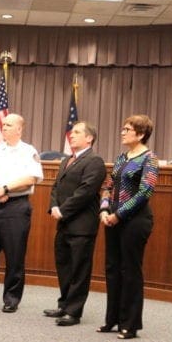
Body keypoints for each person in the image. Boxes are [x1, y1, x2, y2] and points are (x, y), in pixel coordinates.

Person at [0, 114, 43, 313]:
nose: (4, 127)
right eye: (3, 124)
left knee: (15, 255)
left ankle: (11, 297)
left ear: (19, 129)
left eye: (8, 125)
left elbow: (31, 178)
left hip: (16, 206)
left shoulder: (29, 151)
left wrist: (4, 189)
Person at [99, 114, 159, 339]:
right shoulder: (122, 157)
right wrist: (104, 209)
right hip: (112, 218)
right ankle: (112, 319)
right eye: (123, 128)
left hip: (135, 221)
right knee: (112, 269)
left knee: (130, 270)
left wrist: (119, 214)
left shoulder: (149, 159)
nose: (122, 132)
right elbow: (108, 185)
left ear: (141, 134)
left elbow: (145, 193)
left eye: (127, 129)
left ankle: (130, 324)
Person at [45, 121, 106, 326]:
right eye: (72, 132)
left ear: (89, 138)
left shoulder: (95, 161)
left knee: (79, 269)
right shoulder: (67, 160)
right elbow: (55, 187)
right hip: (63, 222)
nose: (72, 135)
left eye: (77, 132)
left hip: (81, 225)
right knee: (64, 266)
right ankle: (64, 304)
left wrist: (63, 210)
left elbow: (86, 192)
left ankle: (74, 311)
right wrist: (53, 206)